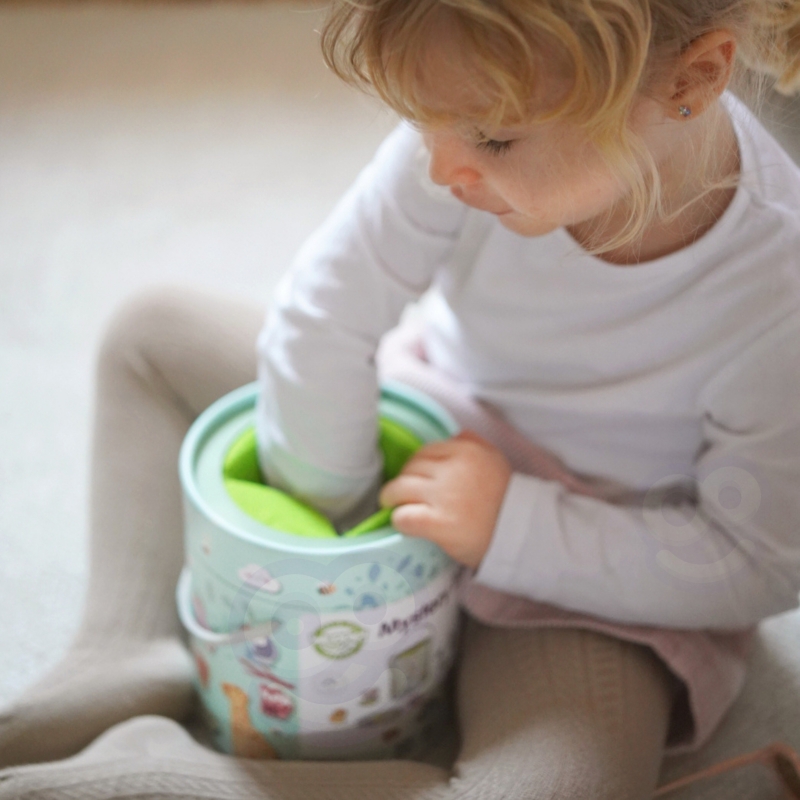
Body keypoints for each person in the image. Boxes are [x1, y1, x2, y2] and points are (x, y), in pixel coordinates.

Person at [1, 1, 799, 798]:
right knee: (152, 336)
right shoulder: (455, 140)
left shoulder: (778, 288)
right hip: (424, 431)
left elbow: (760, 561)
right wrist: (339, 526)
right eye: (422, 123)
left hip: (595, 562)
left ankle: (159, 769)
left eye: (493, 139)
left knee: (558, 787)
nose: (442, 168)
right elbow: (324, 315)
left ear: (690, 81)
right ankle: (124, 643)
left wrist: (510, 527)